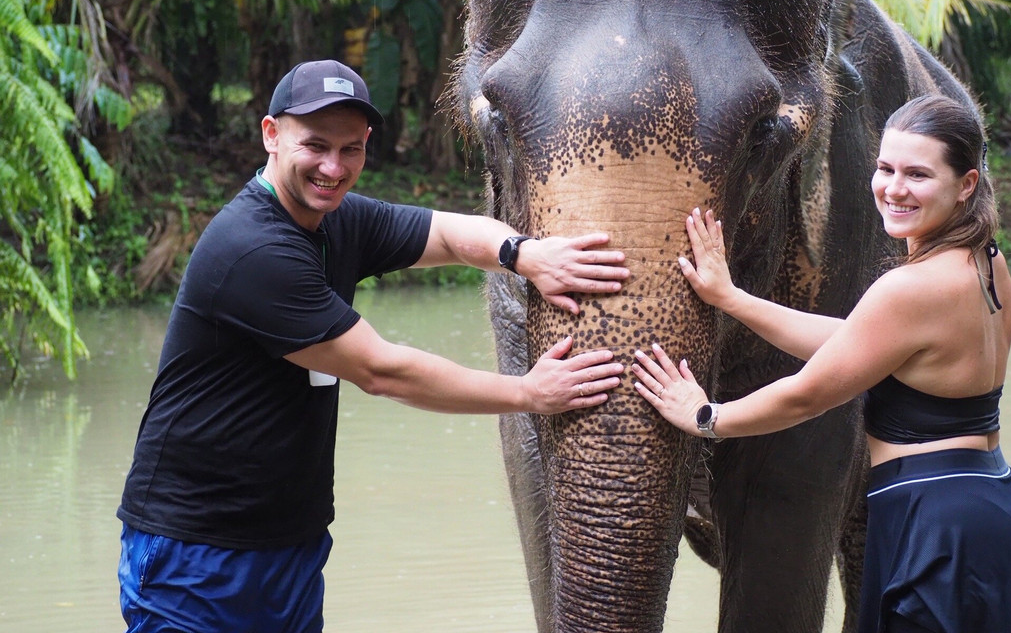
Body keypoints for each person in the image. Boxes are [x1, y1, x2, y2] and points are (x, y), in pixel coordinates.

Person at [116, 59, 630, 633]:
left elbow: (444, 233)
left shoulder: (336, 219)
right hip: (195, 549)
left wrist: (522, 254)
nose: (333, 168)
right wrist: (530, 393)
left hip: (289, 542)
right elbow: (384, 371)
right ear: (271, 135)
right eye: (314, 145)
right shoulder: (254, 249)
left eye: (350, 150)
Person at [632, 93, 1011, 633]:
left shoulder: (908, 288)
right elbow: (861, 346)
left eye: (918, 174)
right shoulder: (986, 261)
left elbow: (805, 395)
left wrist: (706, 417)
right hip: (994, 513)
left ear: (966, 184)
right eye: (885, 168)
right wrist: (733, 299)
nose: (894, 188)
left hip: (936, 529)